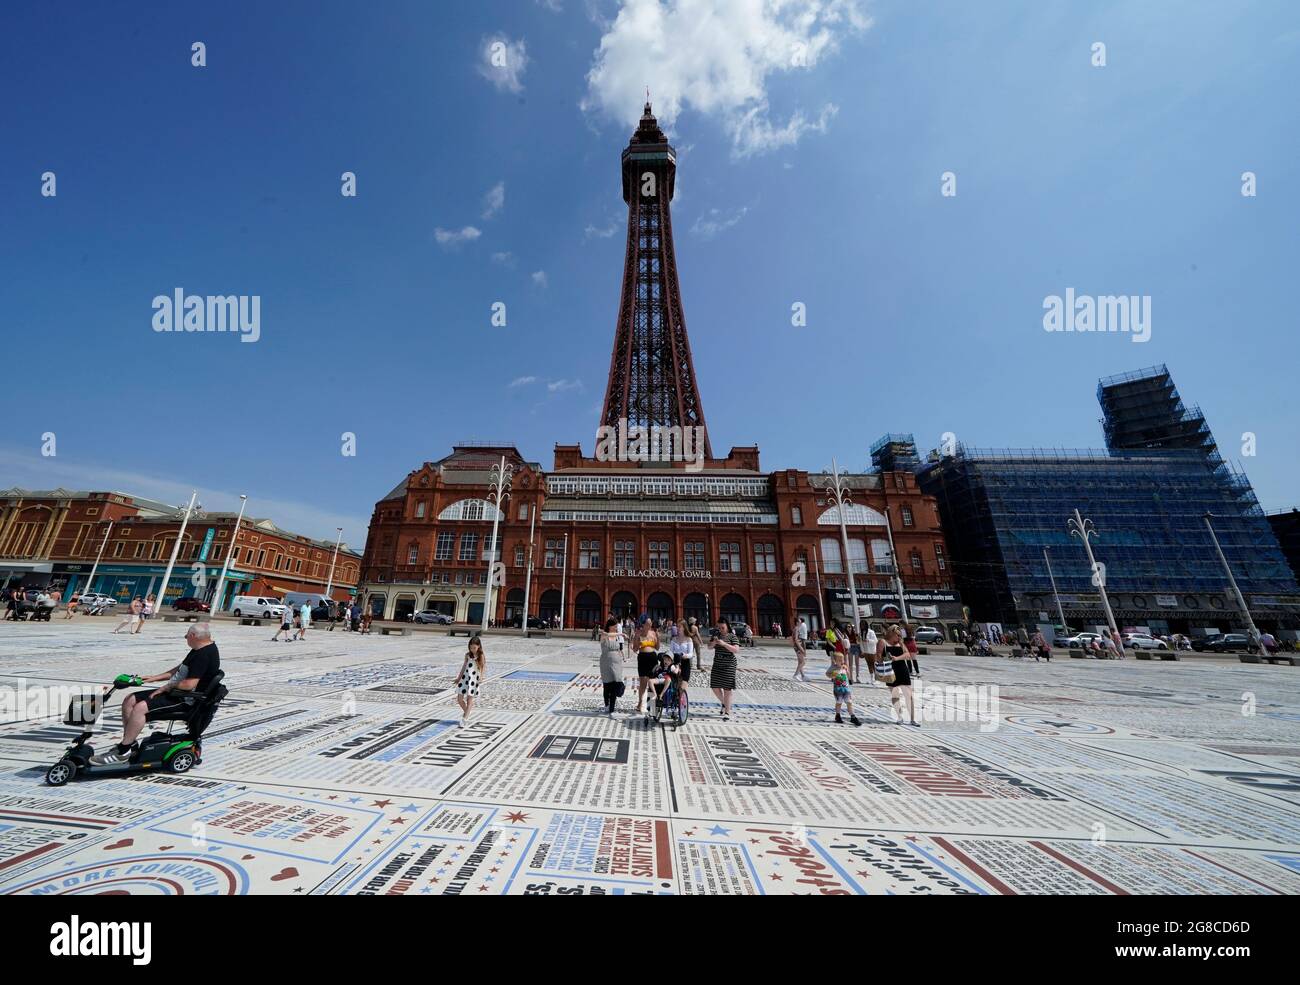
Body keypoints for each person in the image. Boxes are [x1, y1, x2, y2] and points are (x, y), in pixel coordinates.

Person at [89, 623, 222, 765]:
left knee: (140, 708)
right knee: (130, 699)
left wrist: (166, 687)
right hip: (175, 692)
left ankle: (123, 751)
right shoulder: (199, 648)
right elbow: (179, 670)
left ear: (193, 636)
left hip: (186, 699)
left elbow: (189, 685)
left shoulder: (204, 655)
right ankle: (130, 744)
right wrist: (153, 678)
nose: (185, 638)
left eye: (186, 636)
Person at [878, 625, 918, 727]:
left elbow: (907, 655)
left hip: (902, 669)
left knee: (909, 695)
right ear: (891, 633)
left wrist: (896, 658)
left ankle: (912, 719)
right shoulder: (883, 642)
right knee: (895, 695)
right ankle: (900, 717)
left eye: (900, 635)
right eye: (897, 634)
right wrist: (886, 659)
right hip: (890, 670)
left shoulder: (900, 643)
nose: (899, 637)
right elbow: (878, 656)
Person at [710, 617, 741, 721]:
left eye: (722, 627)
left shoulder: (732, 636)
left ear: (727, 626)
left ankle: (727, 711)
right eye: (719, 627)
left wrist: (724, 644)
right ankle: (724, 703)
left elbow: (736, 650)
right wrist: (714, 642)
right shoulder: (716, 635)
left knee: (727, 689)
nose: (721, 629)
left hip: (729, 665)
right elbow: (709, 647)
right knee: (715, 686)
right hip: (717, 664)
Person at [454, 636, 486, 727]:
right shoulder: (467, 655)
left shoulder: (481, 655)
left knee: (469, 700)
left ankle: (465, 718)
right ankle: (467, 712)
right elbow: (464, 667)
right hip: (465, 678)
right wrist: (458, 678)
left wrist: (481, 677)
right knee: (459, 699)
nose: (472, 650)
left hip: (474, 679)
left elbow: (483, 666)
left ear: (478, 646)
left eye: (474, 648)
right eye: (471, 647)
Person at [597, 618, 625, 714]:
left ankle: (612, 706)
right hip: (606, 662)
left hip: (617, 662)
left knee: (615, 684)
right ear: (610, 626)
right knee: (607, 684)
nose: (617, 627)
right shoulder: (604, 635)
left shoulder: (617, 637)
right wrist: (621, 634)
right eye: (615, 626)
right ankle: (607, 705)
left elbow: (619, 649)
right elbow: (608, 635)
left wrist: (622, 657)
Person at [826, 650, 861, 726]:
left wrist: (848, 672)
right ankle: (837, 715)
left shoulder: (844, 667)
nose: (842, 661)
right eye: (839, 660)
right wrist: (832, 675)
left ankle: (853, 716)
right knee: (839, 703)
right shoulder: (833, 667)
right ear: (835, 661)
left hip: (846, 689)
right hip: (838, 689)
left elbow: (848, 676)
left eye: (842, 660)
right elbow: (827, 674)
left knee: (849, 702)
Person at [634, 616, 659, 715]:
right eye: (648, 624)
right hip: (643, 658)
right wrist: (638, 642)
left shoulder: (653, 633)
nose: (650, 625)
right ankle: (640, 703)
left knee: (652, 682)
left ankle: (652, 704)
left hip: (653, 658)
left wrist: (658, 638)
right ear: (643, 624)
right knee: (643, 683)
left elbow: (657, 647)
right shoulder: (638, 633)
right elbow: (635, 649)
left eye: (651, 623)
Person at [669, 623, 694, 691]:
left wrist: (685, 655)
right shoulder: (674, 639)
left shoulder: (689, 639)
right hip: (675, 662)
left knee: (683, 686)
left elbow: (691, 654)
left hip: (685, 662)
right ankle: (676, 700)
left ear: (684, 628)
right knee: (676, 685)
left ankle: (682, 699)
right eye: (677, 626)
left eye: (679, 626)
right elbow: (670, 652)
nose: (677, 628)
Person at [792, 616, 808, 681]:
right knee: (803, 662)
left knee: (800, 662)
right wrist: (802, 649)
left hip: (796, 646)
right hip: (798, 646)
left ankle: (803, 676)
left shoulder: (796, 628)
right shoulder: (796, 629)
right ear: (796, 622)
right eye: (799, 621)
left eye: (800, 621)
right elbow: (796, 639)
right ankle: (796, 674)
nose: (800, 622)